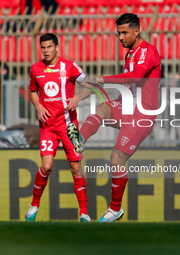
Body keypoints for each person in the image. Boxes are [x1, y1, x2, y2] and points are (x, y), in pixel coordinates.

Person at [67, 13, 161, 222]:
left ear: (137, 31)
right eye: (118, 32)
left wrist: (105, 79)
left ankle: (115, 209)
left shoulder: (148, 51)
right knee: (102, 109)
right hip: (127, 106)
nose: (120, 37)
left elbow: (136, 77)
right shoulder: (130, 54)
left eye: (124, 32)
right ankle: (78, 142)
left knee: (116, 159)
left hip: (142, 113)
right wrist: (78, 97)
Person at [25, 33, 94, 222]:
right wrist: (38, 106)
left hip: (69, 126)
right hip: (48, 126)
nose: (46, 51)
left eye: (49, 47)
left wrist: (78, 97)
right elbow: (32, 91)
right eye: (43, 48)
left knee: (76, 167)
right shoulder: (36, 69)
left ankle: (84, 212)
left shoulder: (70, 66)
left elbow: (89, 85)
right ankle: (34, 205)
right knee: (46, 167)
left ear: (57, 47)